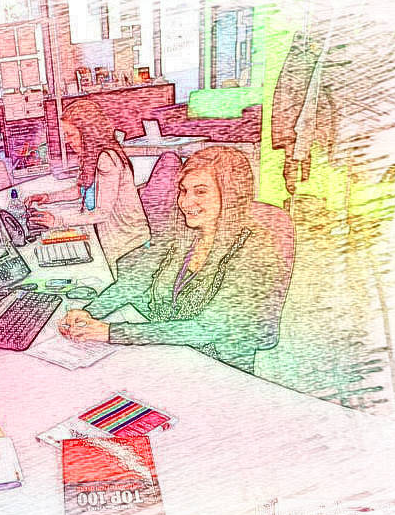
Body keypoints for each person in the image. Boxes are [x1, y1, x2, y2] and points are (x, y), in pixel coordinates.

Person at [57, 147, 282, 373]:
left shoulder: (256, 249)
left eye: (200, 192)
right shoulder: (186, 232)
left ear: (231, 195)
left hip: (216, 367)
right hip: (169, 349)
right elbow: (135, 281)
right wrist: (91, 312)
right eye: (184, 191)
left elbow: (205, 328)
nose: (186, 202)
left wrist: (110, 332)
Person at [24, 100, 150, 276]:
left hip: (128, 244)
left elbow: (102, 213)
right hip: (114, 237)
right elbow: (81, 189)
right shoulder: (91, 156)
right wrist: (48, 197)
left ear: (87, 133)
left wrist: (58, 221)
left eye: (70, 134)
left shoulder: (106, 159)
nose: (67, 141)